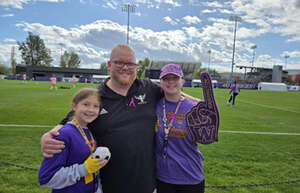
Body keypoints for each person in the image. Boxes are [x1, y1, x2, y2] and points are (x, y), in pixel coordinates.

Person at [41, 44, 199, 193]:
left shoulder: (148, 88)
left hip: (148, 185)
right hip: (109, 186)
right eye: (119, 62)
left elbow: (174, 92)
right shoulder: (96, 97)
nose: (125, 67)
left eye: (130, 64)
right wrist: (51, 134)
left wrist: (200, 105)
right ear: (109, 64)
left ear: (137, 67)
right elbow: (73, 118)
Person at [39, 88, 108, 193]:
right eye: (85, 104)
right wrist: (84, 169)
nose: (90, 110)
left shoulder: (88, 131)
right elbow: (47, 177)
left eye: (95, 106)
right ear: (74, 106)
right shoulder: (64, 134)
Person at [155, 64, 205, 193]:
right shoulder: (154, 105)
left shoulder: (195, 108)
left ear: (182, 81)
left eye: (175, 78)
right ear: (161, 82)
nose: (170, 81)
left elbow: (204, 137)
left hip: (190, 176)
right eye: (166, 78)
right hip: (163, 178)